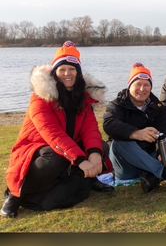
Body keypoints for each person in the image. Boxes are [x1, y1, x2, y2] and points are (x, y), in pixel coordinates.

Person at [1, 41, 113, 218]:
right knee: (54, 158)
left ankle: (90, 179)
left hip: (67, 147)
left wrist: (94, 155)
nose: (67, 74)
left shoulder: (82, 97)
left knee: (101, 147)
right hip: (36, 150)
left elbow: (90, 128)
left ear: (78, 72)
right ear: (55, 72)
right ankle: (14, 195)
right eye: (62, 70)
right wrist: (81, 160)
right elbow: (52, 134)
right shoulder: (40, 98)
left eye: (72, 69)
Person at [102, 63, 166, 193]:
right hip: (127, 165)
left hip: (150, 159)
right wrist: (135, 133)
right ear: (130, 85)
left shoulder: (156, 105)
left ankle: (153, 177)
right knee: (119, 142)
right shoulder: (117, 104)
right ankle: (165, 173)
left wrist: (165, 152)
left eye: (146, 85)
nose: (142, 89)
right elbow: (108, 124)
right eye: (138, 84)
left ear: (151, 87)